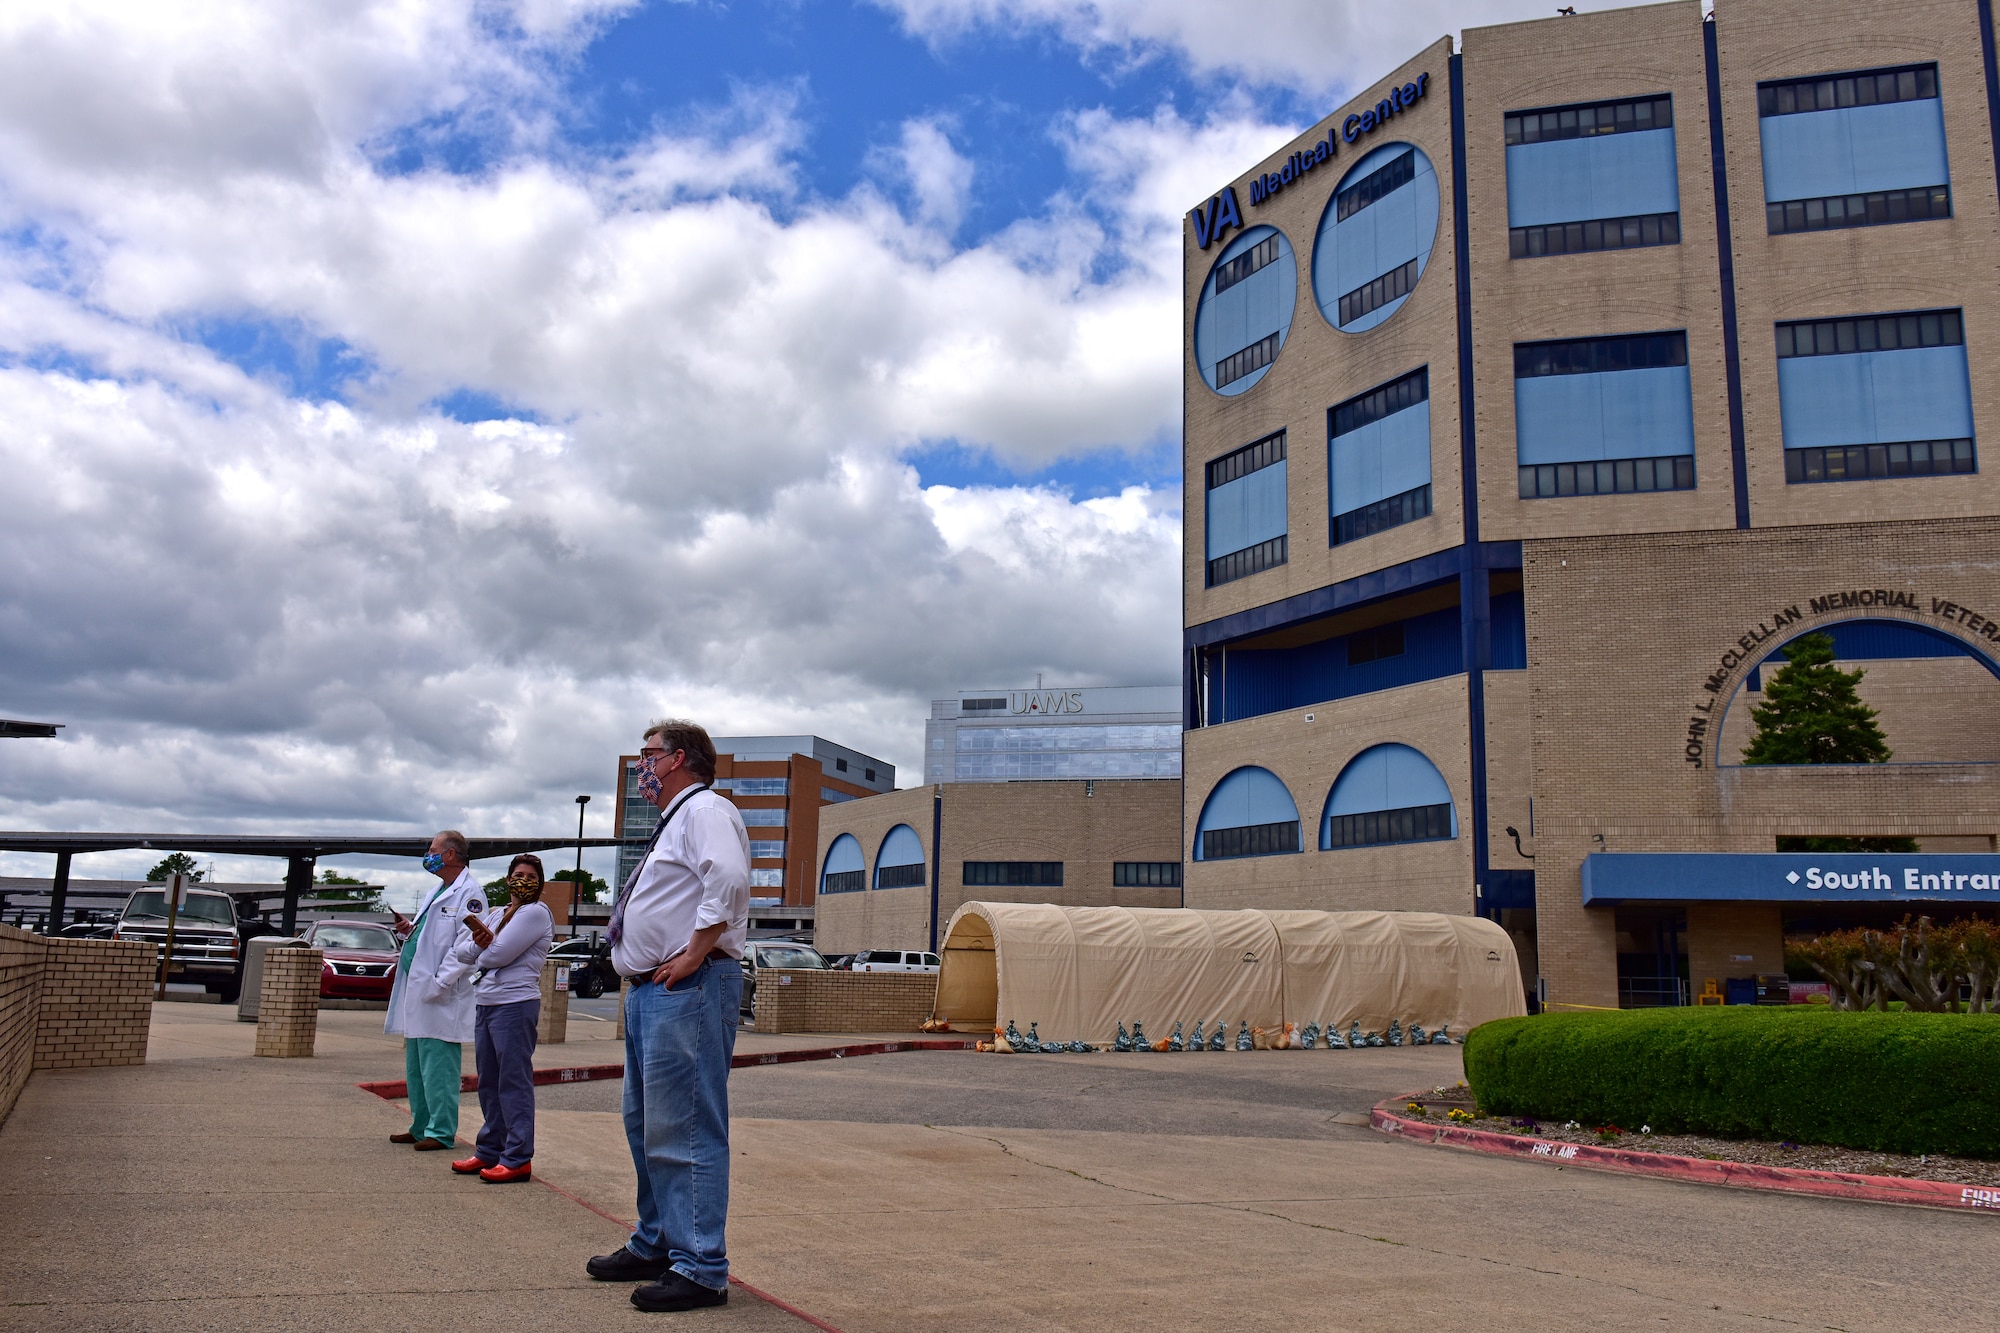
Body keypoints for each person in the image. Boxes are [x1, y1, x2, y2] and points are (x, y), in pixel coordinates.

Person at [585, 719, 749, 1314]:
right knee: (648, 1126)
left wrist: (695, 951)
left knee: (685, 1127)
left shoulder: (706, 809)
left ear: (678, 758)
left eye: (648, 756)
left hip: (690, 987)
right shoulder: (676, 820)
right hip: (655, 991)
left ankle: (701, 1266)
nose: (642, 768)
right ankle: (658, 1241)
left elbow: (726, 880)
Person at [449, 852, 555, 1183]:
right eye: (518, 874)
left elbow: (497, 954)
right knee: (489, 1083)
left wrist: (483, 947)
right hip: (487, 1002)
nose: (523, 880)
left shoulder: (536, 913)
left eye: (531, 875)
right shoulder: (497, 914)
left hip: (515, 1004)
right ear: (508, 878)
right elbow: (460, 950)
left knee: (512, 1082)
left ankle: (518, 1156)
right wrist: (483, 946)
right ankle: (489, 1150)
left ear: (539, 882)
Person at [383, 830, 484, 1151]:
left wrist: (442, 982)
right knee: (416, 1066)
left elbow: (467, 946)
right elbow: (428, 936)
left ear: (451, 854)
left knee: (439, 1068)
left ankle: (440, 1131)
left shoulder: (470, 894)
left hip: (442, 996)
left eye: (433, 850)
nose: (428, 855)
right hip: (419, 993)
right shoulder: (437, 890)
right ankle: (420, 1125)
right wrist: (407, 931)